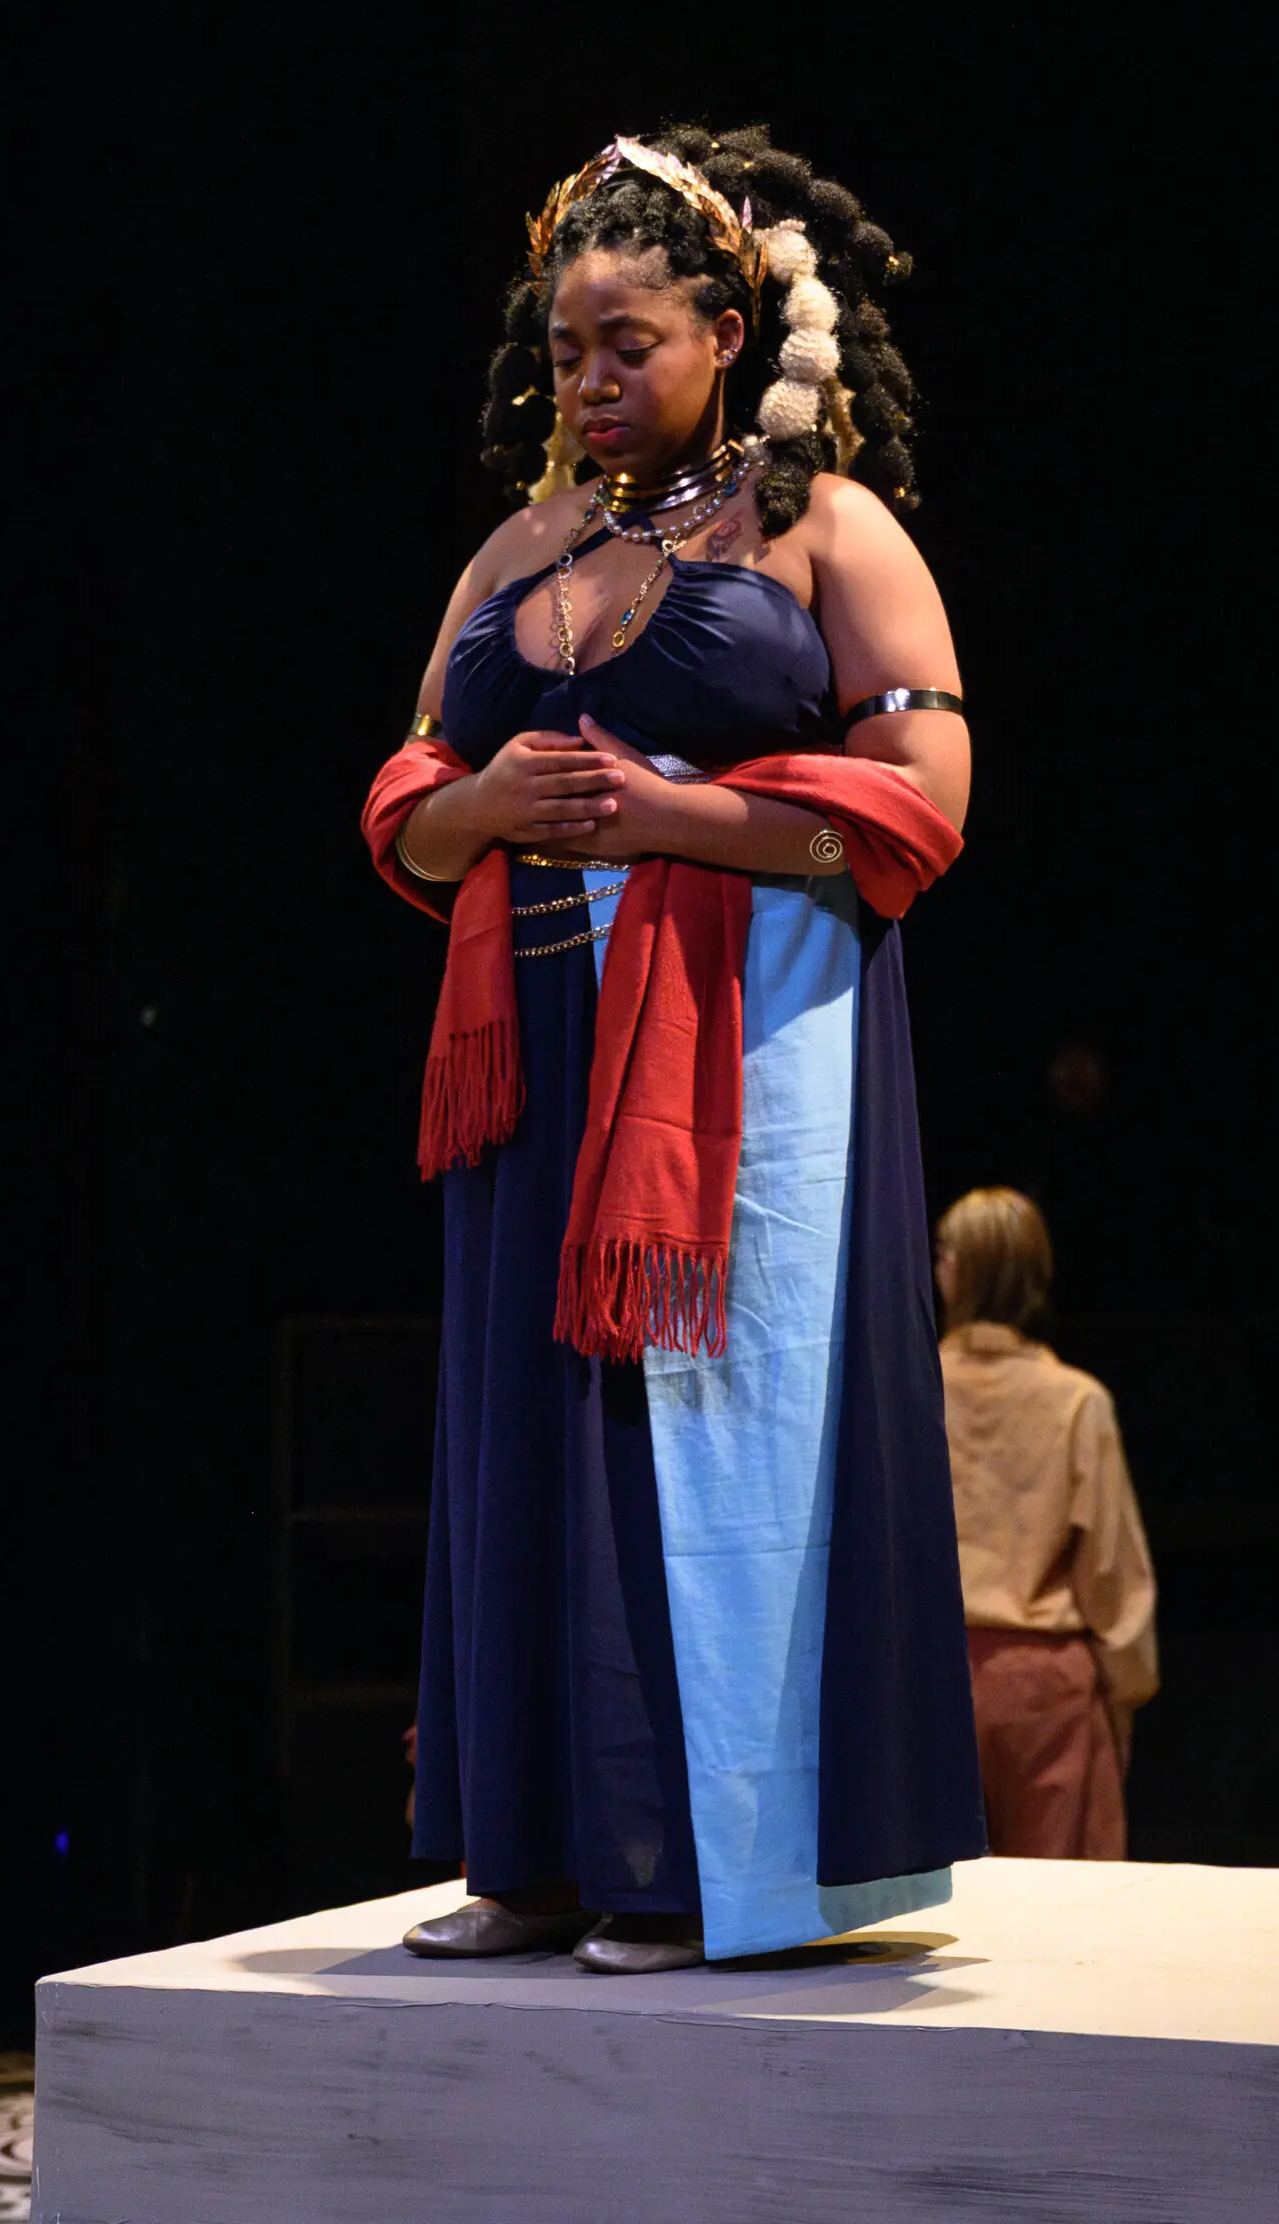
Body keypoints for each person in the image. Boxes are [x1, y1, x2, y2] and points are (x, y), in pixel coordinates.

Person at [362, 125, 985, 1973]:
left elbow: (924, 794)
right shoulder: (523, 545)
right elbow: (407, 803)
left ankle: (699, 1867)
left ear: (727, 331)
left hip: (742, 1047)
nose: (589, 379)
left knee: (711, 1423)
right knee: (528, 1433)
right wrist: (484, 803)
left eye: (627, 343)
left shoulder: (824, 529)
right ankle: (535, 1856)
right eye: (566, 349)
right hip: (536, 1051)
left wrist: (673, 819)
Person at [936, 1187, 1159, 1860]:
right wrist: (1125, 1692)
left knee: (930, 1906)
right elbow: (1111, 1571)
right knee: (1060, 1906)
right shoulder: (1076, 1402)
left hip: (927, 1678)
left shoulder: (908, 1389)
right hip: (1045, 1695)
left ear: (960, 1270)